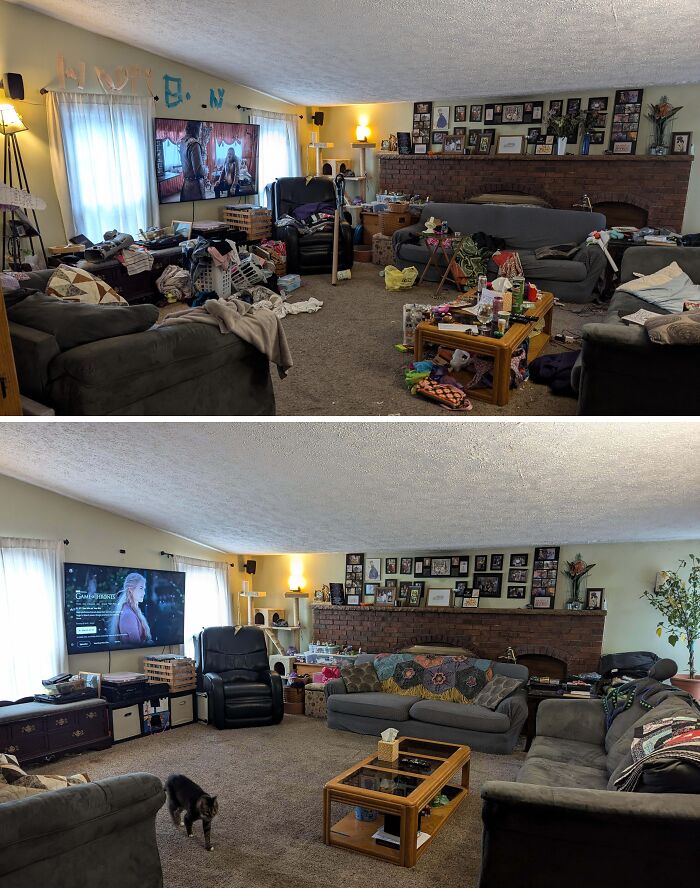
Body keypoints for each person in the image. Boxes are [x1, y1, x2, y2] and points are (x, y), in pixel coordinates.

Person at [110, 572, 152, 645]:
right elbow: (137, 646)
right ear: (131, 589)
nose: (144, 593)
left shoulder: (132, 610)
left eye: (144, 589)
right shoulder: (128, 615)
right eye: (141, 588)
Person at [179, 121, 207, 202]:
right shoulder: (194, 144)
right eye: (200, 129)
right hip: (195, 188)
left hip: (186, 185)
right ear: (196, 129)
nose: (201, 131)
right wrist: (206, 169)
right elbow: (199, 171)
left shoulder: (183, 141)